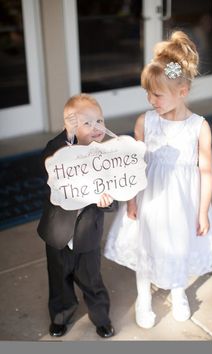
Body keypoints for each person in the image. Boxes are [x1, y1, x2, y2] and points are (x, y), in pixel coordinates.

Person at [104, 31, 212, 328]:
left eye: (157, 94)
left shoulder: (199, 127)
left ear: (182, 91)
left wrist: (202, 209)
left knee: (179, 244)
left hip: (183, 201)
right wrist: (130, 199)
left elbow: (206, 170)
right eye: (148, 93)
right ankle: (143, 295)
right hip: (150, 198)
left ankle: (178, 289)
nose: (150, 99)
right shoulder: (146, 122)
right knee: (147, 244)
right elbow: (135, 164)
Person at [37, 93, 117, 338]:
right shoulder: (60, 150)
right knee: (59, 279)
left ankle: (101, 317)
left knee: (92, 280)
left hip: (87, 235)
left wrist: (108, 200)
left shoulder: (105, 157)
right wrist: (69, 137)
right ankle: (60, 315)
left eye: (100, 121)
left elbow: (118, 185)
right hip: (58, 232)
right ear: (69, 126)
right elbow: (49, 158)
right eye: (87, 123)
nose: (96, 128)